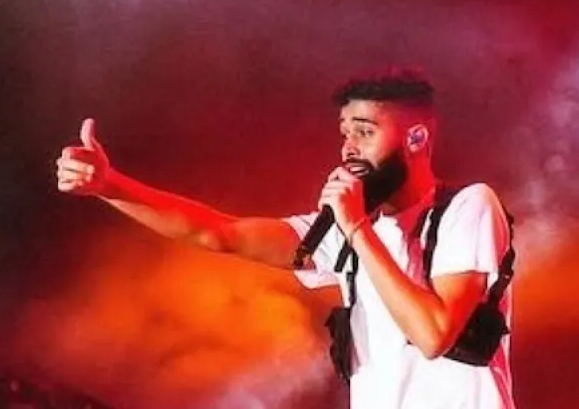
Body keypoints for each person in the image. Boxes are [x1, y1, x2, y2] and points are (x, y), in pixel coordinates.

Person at [53, 68, 513, 408]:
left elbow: (434, 335)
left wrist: (356, 228)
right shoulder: (347, 230)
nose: (348, 148)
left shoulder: (467, 207)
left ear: (416, 139)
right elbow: (219, 233)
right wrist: (110, 187)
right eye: (345, 134)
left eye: (365, 132)